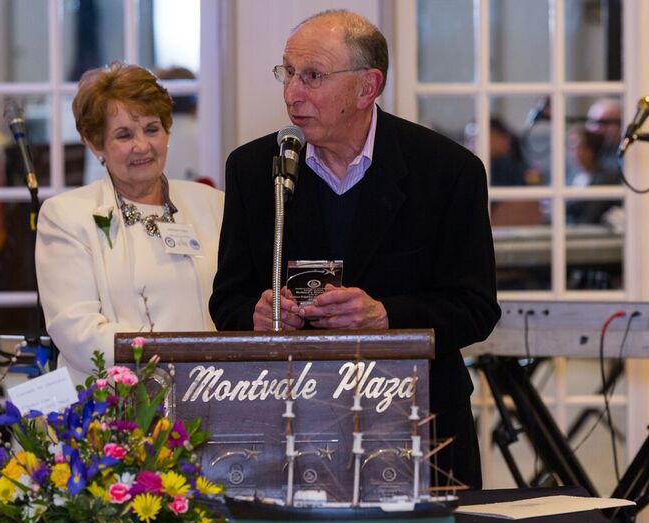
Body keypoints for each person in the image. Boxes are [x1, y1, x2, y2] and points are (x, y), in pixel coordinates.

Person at [210, 10, 500, 488]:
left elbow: (475, 308)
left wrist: (386, 317)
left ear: (368, 87)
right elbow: (227, 301)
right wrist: (257, 316)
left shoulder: (447, 172)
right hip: (290, 427)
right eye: (287, 73)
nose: (292, 93)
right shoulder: (254, 169)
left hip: (420, 425)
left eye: (312, 77)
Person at [36, 61, 224, 383]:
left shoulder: (213, 204)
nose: (142, 146)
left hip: (211, 391)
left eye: (152, 129)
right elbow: (78, 331)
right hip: (118, 407)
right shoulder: (67, 215)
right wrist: (172, 363)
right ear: (96, 144)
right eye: (124, 134)